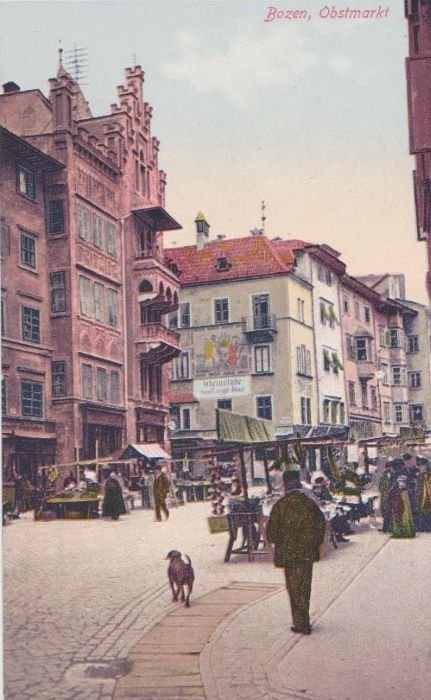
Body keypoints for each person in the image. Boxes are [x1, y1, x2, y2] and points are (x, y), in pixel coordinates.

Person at [267, 470, 326, 635]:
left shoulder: (280, 505)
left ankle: (300, 623)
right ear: (299, 484)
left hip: (288, 554)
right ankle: (304, 620)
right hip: (306, 553)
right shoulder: (309, 503)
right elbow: (321, 525)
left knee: (293, 588)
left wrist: (280, 542)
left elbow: (271, 533)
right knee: (305, 586)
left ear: (285, 485)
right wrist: (314, 542)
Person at [378, 461, 394, 533]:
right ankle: (385, 528)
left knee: (391, 511)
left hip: (391, 496)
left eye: (390, 467)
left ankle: (390, 527)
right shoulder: (383, 476)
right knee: (385, 511)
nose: (389, 468)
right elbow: (380, 487)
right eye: (388, 467)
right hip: (385, 496)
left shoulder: (393, 475)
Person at [417, 457, 431, 531]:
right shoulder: (420, 476)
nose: (422, 467)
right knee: (421, 512)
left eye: (423, 465)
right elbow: (418, 486)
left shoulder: (429, 475)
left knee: (428, 512)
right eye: (420, 466)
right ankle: (422, 527)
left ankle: (428, 527)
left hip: (428, 496)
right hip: (421, 496)